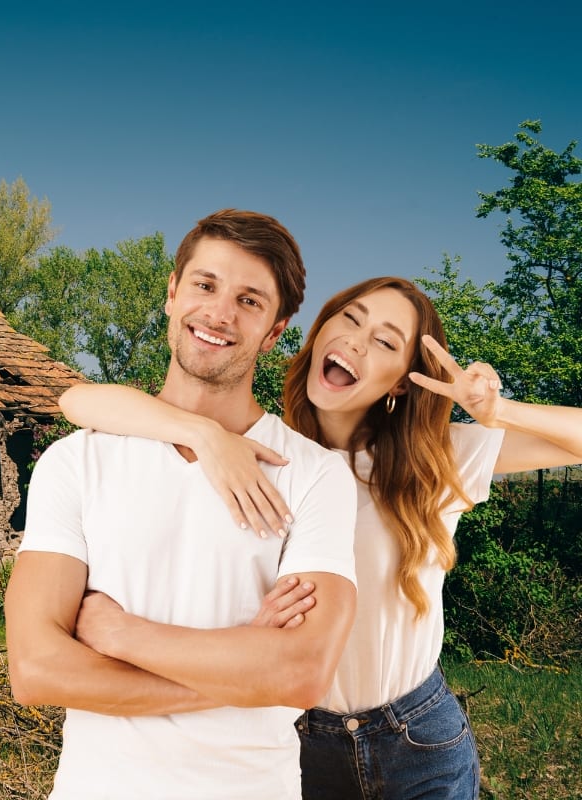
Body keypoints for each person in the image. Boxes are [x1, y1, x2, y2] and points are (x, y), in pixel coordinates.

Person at [57, 275, 582, 799]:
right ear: (320, 331)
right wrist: (204, 434)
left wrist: (496, 411)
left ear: (401, 381)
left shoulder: (436, 459)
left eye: (384, 341)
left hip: (415, 740)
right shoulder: (266, 454)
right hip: (297, 736)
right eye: (350, 319)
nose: (356, 340)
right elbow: (79, 402)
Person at [4, 208, 359, 800]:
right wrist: (242, 672)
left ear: (274, 331)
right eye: (205, 285)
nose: (219, 313)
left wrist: (118, 634)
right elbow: (37, 670)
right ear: (172, 293)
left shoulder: (315, 476)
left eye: (250, 301)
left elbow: (299, 672)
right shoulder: (76, 461)